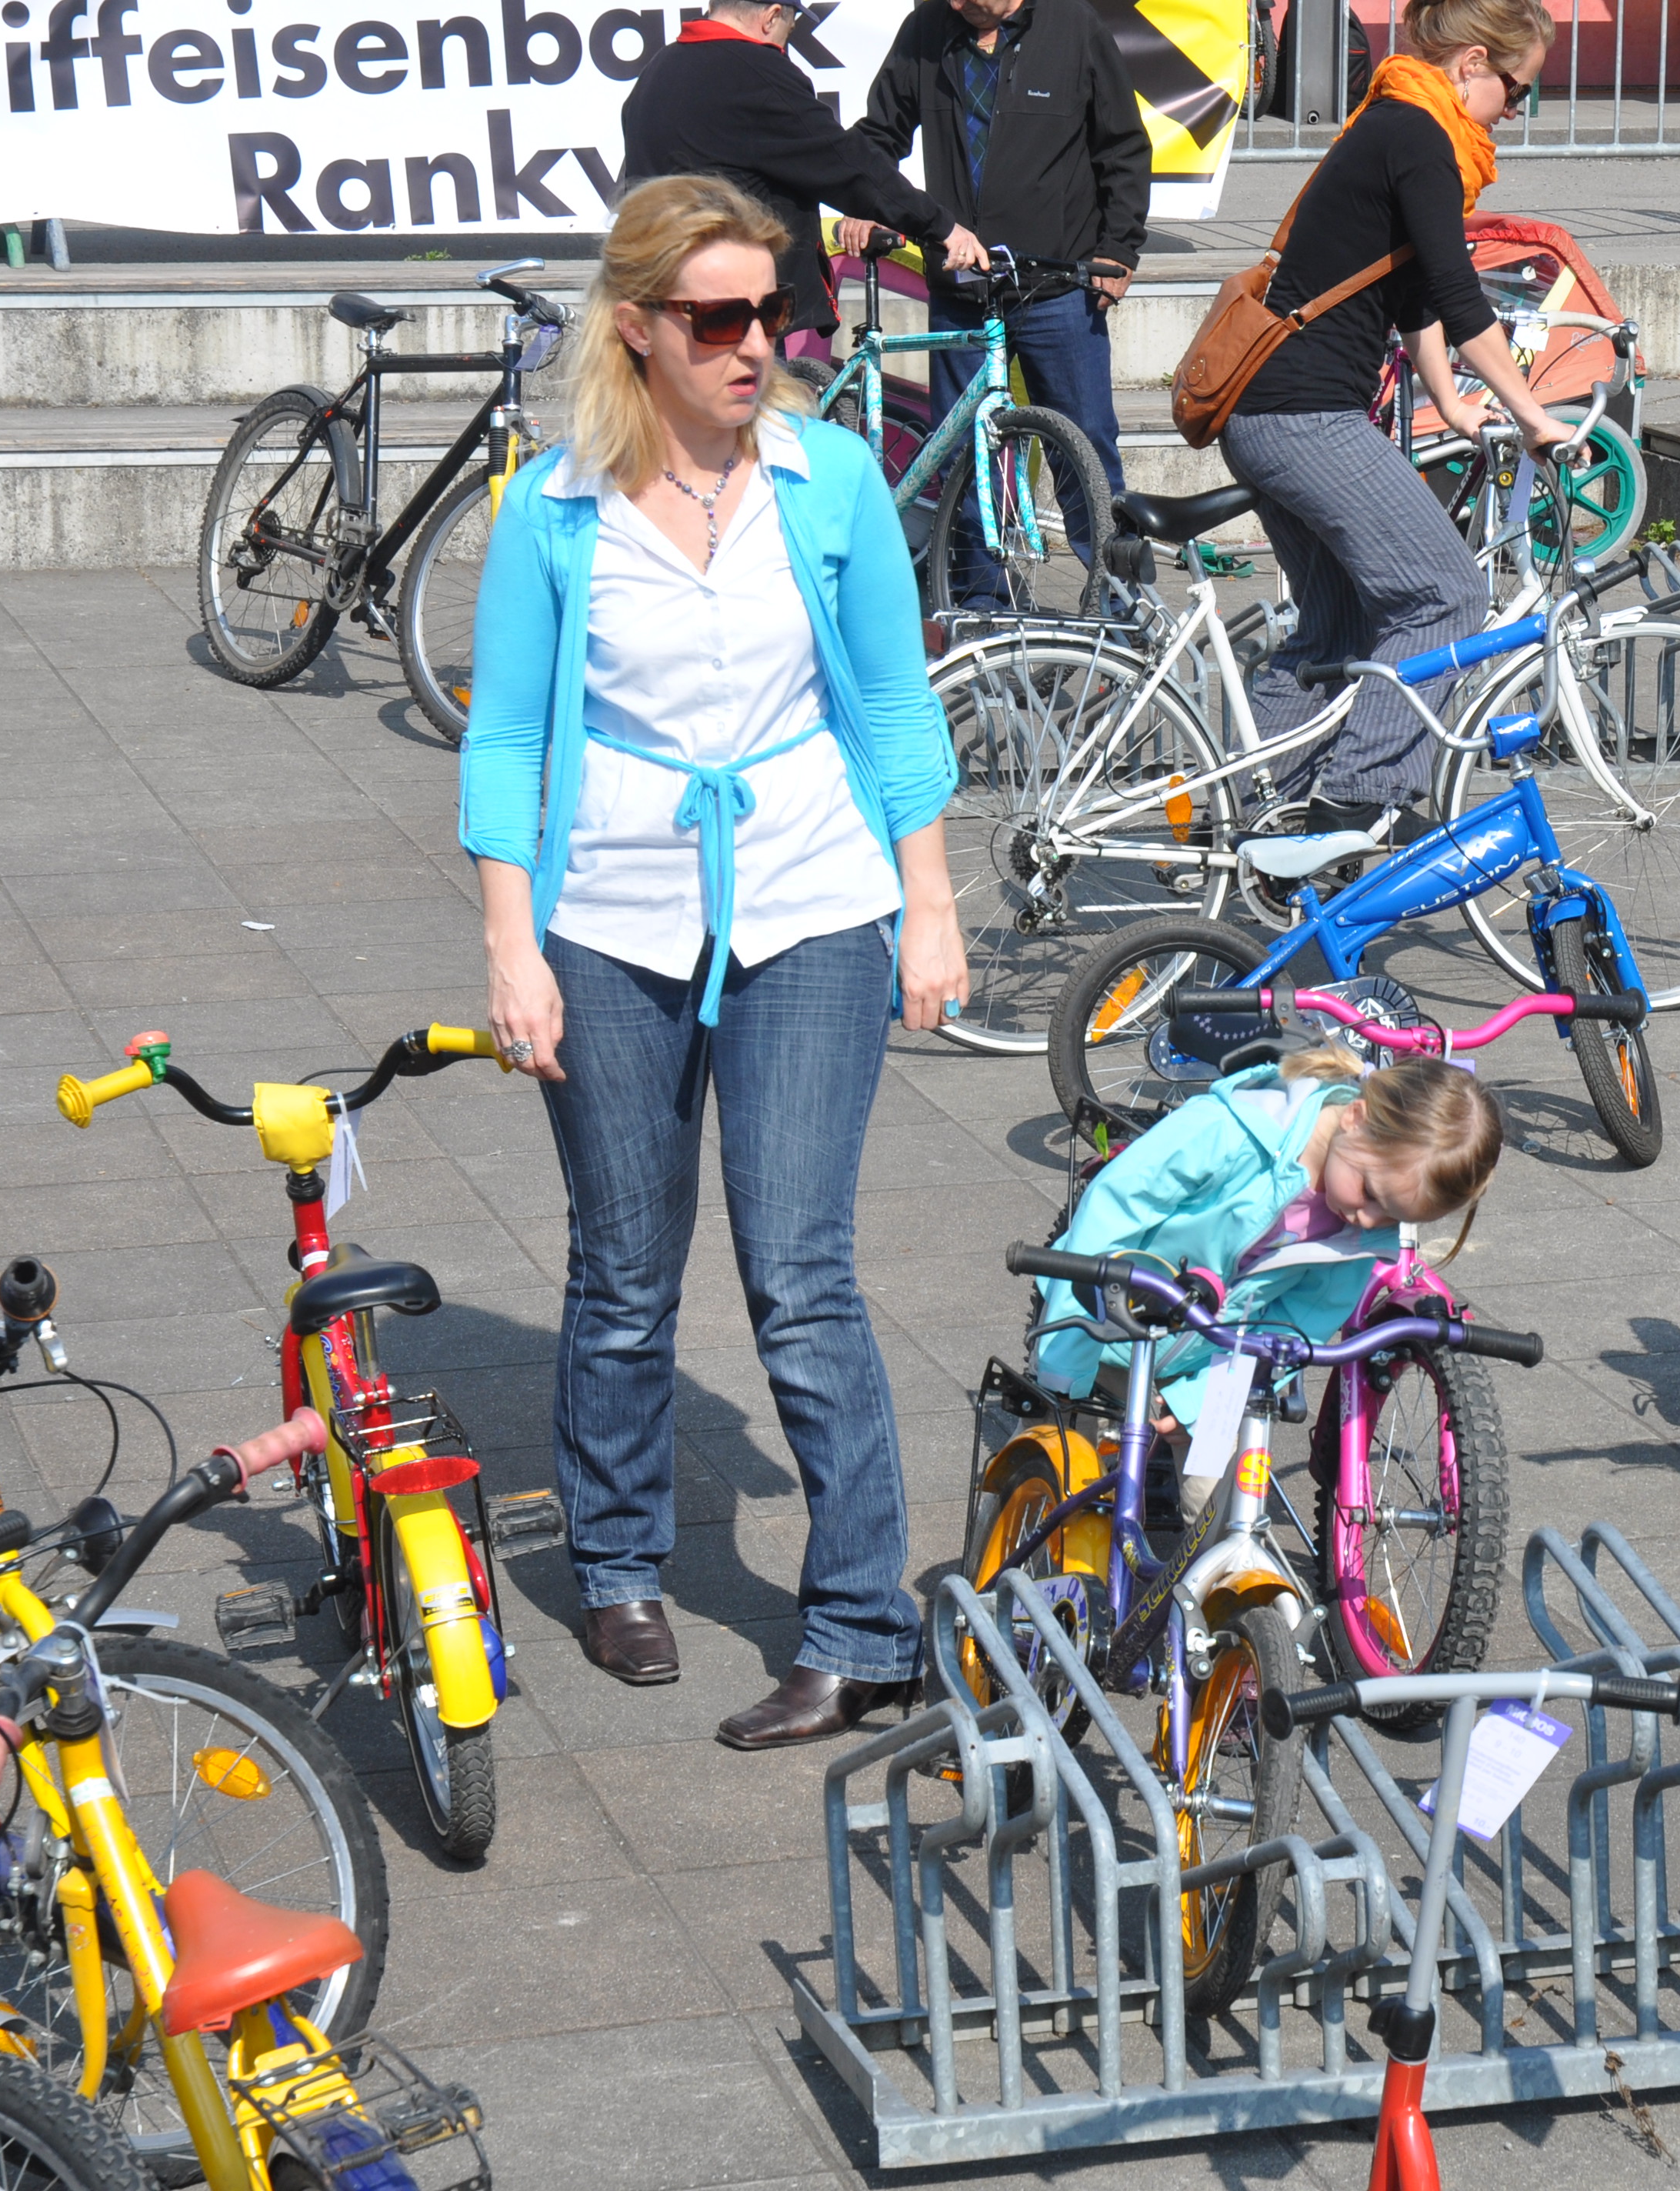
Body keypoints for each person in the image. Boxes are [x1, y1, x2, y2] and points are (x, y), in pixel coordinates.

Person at [458, 174, 973, 1753]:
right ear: (638, 329)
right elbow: (508, 736)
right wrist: (510, 944)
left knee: (800, 1273)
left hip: (811, 895)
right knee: (621, 1266)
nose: (759, 344)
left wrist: (929, 899)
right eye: (721, 318)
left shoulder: (829, 482)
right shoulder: (554, 510)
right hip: (609, 911)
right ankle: (618, 1561)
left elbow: (894, 700)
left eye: (776, 312)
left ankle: (860, 1626)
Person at [1220, 0, 1568, 863]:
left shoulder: (1396, 120)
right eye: (1518, 89)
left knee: (1336, 626)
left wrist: (1450, 401)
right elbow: (1457, 293)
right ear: (1473, 64)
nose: (1517, 110)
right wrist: (1532, 415)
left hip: (1269, 411)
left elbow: (1411, 291)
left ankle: (1253, 831)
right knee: (1446, 596)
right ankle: (1358, 803)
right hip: (1303, 415)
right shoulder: (1419, 134)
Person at [1029, 1053, 1505, 1484]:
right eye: (1371, 1194)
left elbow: (1292, 1329)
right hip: (1102, 1324)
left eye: (1394, 1218)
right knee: (1057, 1466)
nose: (1368, 1220)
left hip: (1209, 1365)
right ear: (1356, 1118)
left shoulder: (1356, 1238)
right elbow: (1114, 1210)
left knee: (1224, 1500)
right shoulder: (1235, 1131)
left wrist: (1199, 1405)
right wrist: (1067, 1353)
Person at [849, 0, 1150, 602]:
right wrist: (865, 199)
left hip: (1056, 287)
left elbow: (1122, 147)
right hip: (962, 288)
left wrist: (1120, 248)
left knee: (1085, 447)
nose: (956, 4)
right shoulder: (927, 30)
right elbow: (879, 134)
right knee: (966, 452)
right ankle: (981, 602)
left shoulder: (1074, 27)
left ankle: (1120, 604)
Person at [621, 0, 987, 343]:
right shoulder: (756, 71)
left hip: (660, 303)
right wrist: (940, 225)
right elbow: (847, 165)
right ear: (771, 17)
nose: (785, 44)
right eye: (790, 30)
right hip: (732, 312)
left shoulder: (658, 71)